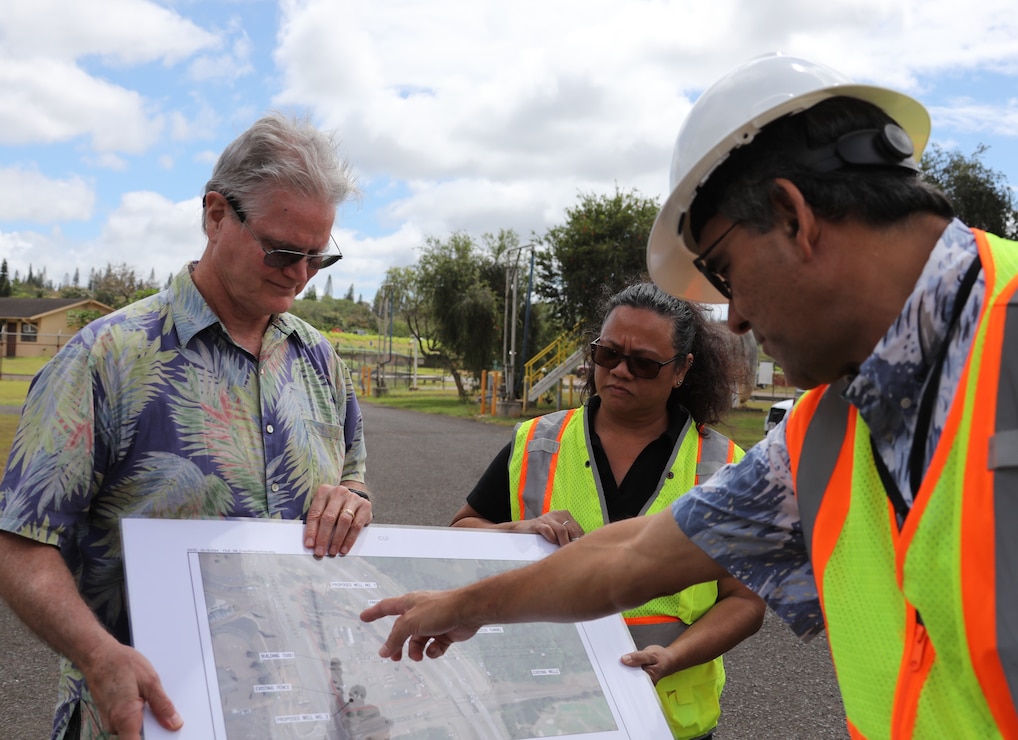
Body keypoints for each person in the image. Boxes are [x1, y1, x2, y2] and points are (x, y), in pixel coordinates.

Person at [362, 53, 1018, 738]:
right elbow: (636, 554)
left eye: (726, 273)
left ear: (793, 215)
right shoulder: (824, 434)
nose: (732, 320)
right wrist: (465, 605)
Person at [0, 113, 374, 740]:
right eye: (283, 250)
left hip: (294, 710)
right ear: (216, 214)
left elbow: (354, 479)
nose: (300, 273)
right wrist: (97, 654)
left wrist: (353, 500)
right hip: (144, 717)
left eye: (318, 256)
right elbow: (18, 543)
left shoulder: (321, 360)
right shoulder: (106, 359)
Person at [450, 282, 764, 739]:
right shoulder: (538, 444)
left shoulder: (726, 467)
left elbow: (745, 601)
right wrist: (516, 529)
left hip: (669, 718)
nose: (620, 371)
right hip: (542, 713)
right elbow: (459, 532)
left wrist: (674, 658)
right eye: (607, 354)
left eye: (643, 363)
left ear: (681, 370)